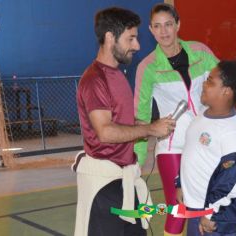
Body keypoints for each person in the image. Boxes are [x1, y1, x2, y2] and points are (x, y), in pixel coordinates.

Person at [133, 3, 236, 236]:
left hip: (206, 142)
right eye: (157, 26)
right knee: (178, 209)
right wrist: (137, 161)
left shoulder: (200, 52)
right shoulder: (147, 67)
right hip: (172, 145)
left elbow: (225, 79)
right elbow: (141, 117)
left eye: (169, 25)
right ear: (151, 30)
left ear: (178, 25)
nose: (164, 32)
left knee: (206, 202)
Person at [73, 7, 175, 236]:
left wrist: (146, 126)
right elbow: (106, 132)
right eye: (131, 38)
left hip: (124, 179)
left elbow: (119, 121)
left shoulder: (117, 74)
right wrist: (149, 128)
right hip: (105, 186)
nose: (137, 45)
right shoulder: (94, 80)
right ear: (110, 37)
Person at [180, 61, 236, 236]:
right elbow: (191, 153)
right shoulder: (202, 116)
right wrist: (180, 183)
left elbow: (233, 179)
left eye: (210, 81)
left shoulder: (233, 132)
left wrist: (212, 212)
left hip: (216, 217)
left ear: (226, 91)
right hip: (196, 208)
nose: (204, 84)